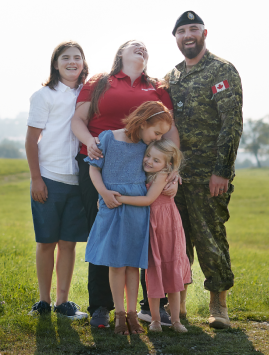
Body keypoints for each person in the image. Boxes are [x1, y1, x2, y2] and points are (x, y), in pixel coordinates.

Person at [71, 40, 180, 329]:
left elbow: (169, 130)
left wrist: (173, 170)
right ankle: (101, 307)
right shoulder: (99, 82)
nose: (141, 48)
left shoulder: (157, 87)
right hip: (101, 163)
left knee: (146, 238)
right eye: (134, 45)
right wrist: (91, 143)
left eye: (145, 47)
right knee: (104, 237)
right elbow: (78, 120)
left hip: (142, 169)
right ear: (120, 53)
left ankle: (149, 307)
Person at [165, 11, 243, 329]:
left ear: (204, 33)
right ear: (176, 38)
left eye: (193, 29)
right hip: (177, 176)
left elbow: (231, 122)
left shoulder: (221, 70)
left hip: (209, 175)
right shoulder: (171, 77)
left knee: (211, 239)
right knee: (177, 241)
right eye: (182, 31)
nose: (188, 35)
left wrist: (222, 169)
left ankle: (218, 306)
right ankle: (178, 306)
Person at [84, 101, 174, 335]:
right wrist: (103, 192)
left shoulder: (147, 147)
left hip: (136, 209)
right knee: (116, 264)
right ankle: (119, 315)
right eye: (156, 132)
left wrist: (174, 178)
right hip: (112, 204)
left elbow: (165, 165)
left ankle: (133, 315)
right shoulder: (108, 138)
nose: (158, 138)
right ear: (143, 123)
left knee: (133, 264)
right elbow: (94, 168)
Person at [25, 41, 91, 320]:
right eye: (66, 58)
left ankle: (63, 303)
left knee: (68, 243)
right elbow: (31, 140)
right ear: (55, 64)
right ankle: (43, 301)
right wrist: (36, 179)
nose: (72, 62)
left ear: (83, 63)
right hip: (49, 178)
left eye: (77, 57)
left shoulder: (87, 94)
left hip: (77, 180)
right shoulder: (44, 96)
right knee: (46, 242)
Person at [114, 138, 192, 333]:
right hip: (151, 228)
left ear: (167, 164)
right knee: (153, 271)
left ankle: (176, 321)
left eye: (156, 160)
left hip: (168, 228)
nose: (149, 161)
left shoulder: (163, 175)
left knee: (172, 271)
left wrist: (118, 199)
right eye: (148, 156)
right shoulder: (144, 174)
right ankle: (155, 320)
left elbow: (148, 200)